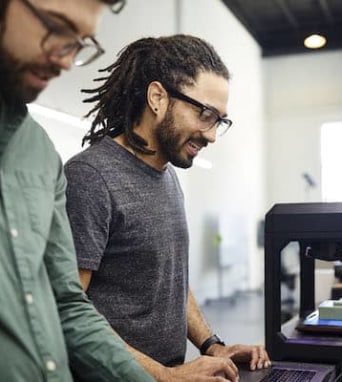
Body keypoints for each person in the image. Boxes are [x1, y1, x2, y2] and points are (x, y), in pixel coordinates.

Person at [64, 35, 271, 382]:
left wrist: (212, 345)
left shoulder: (168, 176)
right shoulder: (90, 177)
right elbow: (68, 310)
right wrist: (163, 376)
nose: (212, 135)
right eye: (205, 114)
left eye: (220, 120)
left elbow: (170, 281)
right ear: (158, 98)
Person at [0, 1, 156, 381]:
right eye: (56, 26)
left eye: (79, 42)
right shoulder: (90, 173)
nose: (67, 61)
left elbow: (67, 303)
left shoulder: (37, 150)